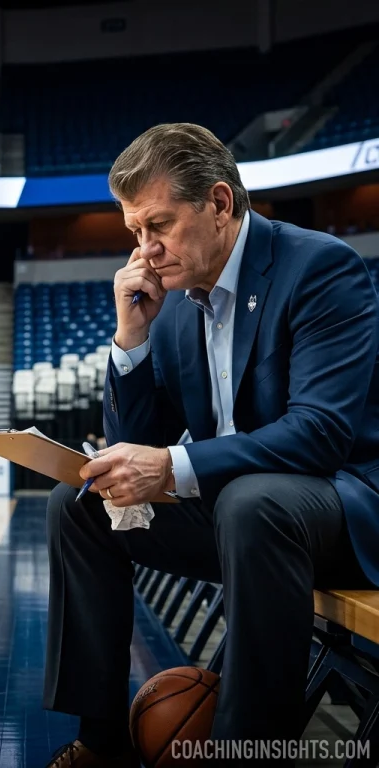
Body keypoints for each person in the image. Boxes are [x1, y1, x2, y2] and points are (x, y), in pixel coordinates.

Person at [44, 123, 379, 767]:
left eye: (160, 225)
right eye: (135, 232)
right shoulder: (167, 304)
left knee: (251, 503)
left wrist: (172, 465)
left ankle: (245, 753)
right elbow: (132, 451)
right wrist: (131, 339)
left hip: (342, 508)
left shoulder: (319, 267)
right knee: (78, 503)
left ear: (220, 204)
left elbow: (320, 434)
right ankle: (101, 742)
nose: (146, 251)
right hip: (243, 516)